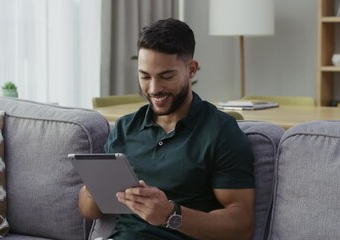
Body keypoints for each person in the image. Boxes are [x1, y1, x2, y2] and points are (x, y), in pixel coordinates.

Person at [78, 18, 256, 240]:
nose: (153, 89)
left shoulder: (220, 131)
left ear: (191, 69)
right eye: (145, 76)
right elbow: (89, 211)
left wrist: (171, 214)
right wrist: (91, 191)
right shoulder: (125, 128)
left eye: (166, 76)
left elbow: (243, 225)